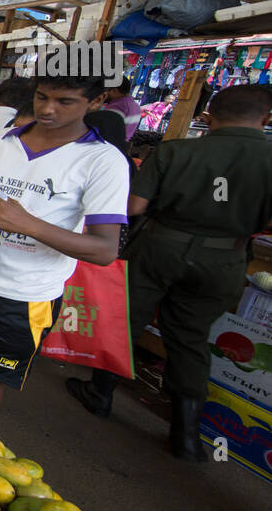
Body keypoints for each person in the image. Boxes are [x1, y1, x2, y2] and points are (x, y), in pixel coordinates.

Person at [65, 85, 272, 460]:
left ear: (205, 117)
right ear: (266, 119)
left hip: (161, 247)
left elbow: (135, 206)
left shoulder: (176, 150)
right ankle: (186, 436)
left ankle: (100, 395)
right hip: (225, 257)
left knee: (124, 320)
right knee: (191, 338)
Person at [0, 71, 131, 423]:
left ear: (95, 102)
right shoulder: (4, 141)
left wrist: (25, 224)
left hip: (26, 296)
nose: (48, 109)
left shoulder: (103, 162)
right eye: (42, 96)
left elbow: (104, 249)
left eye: (65, 102)